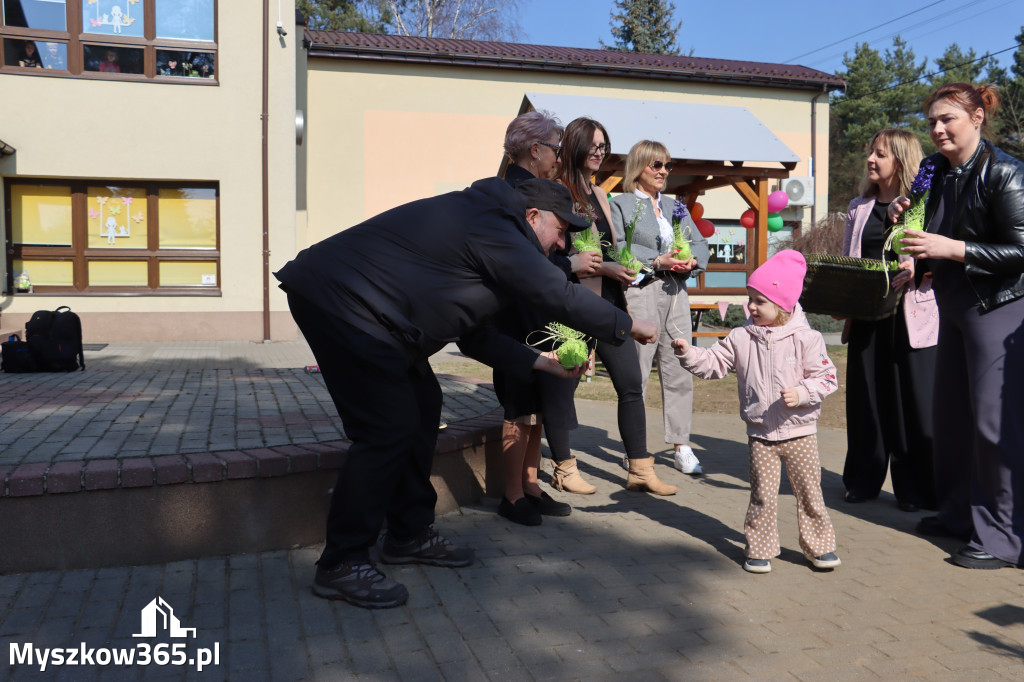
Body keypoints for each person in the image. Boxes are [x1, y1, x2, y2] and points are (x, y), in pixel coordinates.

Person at [275, 177, 657, 608]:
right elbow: (556, 293)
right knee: (387, 426)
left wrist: (545, 363)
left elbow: (477, 338)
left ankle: (407, 534)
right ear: (533, 217)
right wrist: (626, 327)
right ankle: (341, 563)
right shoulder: (496, 226)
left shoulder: (492, 236)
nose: (563, 244)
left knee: (423, 405)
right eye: (561, 231)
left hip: (377, 315)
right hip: (341, 301)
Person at [891, 82, 1024, 570]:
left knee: (994, 425)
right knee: (951, 419)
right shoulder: (935, 173)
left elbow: (1021, 251)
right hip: (952, 305)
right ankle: (958, 515)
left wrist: (953, 249)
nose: (938, 129)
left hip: (998, 308)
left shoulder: (1006, 173)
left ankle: (1004, 537)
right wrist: (910, 236)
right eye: (931, 121)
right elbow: (929, 232)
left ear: (977, 118)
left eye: (948, 118)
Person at [672, 250, 841, 574]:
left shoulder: (807, 338)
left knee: (810, 496)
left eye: (759, 301)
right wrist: (689, 353)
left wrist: (803, 393)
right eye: (750, 298)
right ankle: (760, 549)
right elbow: (714, 365)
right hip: (761, 434)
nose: (750, 307)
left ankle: (820, 548)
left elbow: (827, 377)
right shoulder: (740, 337)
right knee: (762, 496)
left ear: (782, 305)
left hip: (800, 433)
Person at [555, 117, 678, 495]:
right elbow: (557, 250)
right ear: (574, 145)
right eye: (593, 145)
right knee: (562, 387)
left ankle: (640, 469)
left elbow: (611, 247)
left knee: (630, 384)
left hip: (610, 302)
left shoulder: (599, 192)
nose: (598, 152)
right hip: (571, 303)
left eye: (603, 147)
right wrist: (602, 266)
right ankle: (564, 466)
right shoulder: (557, 190)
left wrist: (623, 267)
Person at [493, 112, 603, 526]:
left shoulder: (538, 188)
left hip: (542, 311)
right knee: (518, 406)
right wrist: (570, 264)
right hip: (516, 314)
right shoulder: (508, 194)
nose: (559, 156)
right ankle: (512, 494)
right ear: (533, 149)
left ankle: (532, 486)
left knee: (539, 406)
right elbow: (520, 262)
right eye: (554, 148)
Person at [840, 129, 938, 512]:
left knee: (909, 402)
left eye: (880, 154)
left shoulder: (923, 205)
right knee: (866, 400)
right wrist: (841, 296)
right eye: (871, 152)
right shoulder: (858, 207)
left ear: (901, 159)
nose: (871, 159)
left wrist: (919, 267)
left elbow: (935, 257)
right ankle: (862, 480)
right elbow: (849, 259)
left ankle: (917, 490)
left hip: (910, 318)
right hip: (866, 316)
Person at [610, 140, 709, 477]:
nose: (664, 171)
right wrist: (655, 260)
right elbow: (616, 249)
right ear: (639, 166)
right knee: (635, 372)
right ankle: (634, 451)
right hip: (641, 290)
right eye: (656, 165)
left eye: (667, 165)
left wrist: (692, 261)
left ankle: (681, 445)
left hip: (676, 291)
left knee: (680, 366)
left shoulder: (674, 206)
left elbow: (699, 244)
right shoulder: (620, 204)